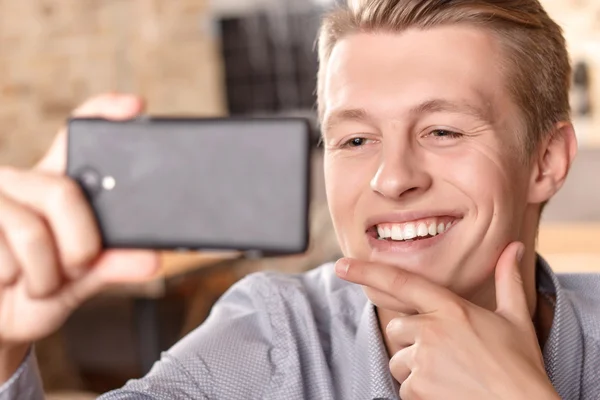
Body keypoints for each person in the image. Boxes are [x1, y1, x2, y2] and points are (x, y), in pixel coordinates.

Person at [0, 0, 598, 398]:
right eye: (356, 138)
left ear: (545, 162)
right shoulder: (273, 335)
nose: (392, 179)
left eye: (442, 131)